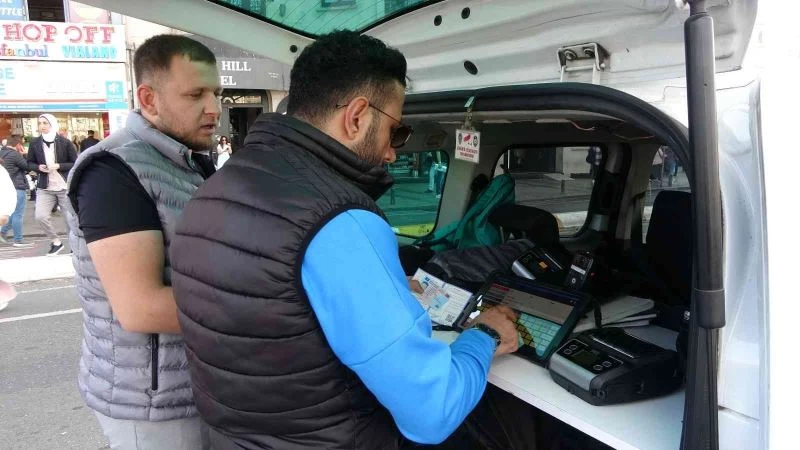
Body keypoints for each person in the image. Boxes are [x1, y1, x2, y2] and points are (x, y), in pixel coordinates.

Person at [170, 31, 522, 449]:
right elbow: (433, 412)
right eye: (396, 132)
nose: (393, 153)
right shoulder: (340, 221)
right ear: (356, 117)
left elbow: (275, 320)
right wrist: (484, 335)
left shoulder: (212, 191)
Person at [63, 34, 220, 449]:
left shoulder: (190, 163)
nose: (214, 108)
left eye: (217, 93)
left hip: (199, 386)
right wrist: (273, 307)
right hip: (151, 404)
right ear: (148, 99)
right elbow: (140, 307)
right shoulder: (112, 170)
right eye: (195, 94)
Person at [27, 114, 77, 256]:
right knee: (40, 216)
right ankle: (56, 242)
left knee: (70, 219)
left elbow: (75, 162)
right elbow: (29, 162)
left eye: (45, 123)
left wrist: (58, 165)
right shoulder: (35, 143)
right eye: (40, 123)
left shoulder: (65, 142)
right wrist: (38, 168)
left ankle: (74, 246)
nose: (42, 126)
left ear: (52, 124)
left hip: (63, 187)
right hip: (45, 187)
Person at [0, 136, 33, 247]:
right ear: (18, 145)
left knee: (10, 213)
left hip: (4, 188)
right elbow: (27, 167)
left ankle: (2, 233)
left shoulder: (1, 153)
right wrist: (24, 154)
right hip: (16, 187)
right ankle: (18, 240)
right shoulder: (15, 154)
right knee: (18, 214)